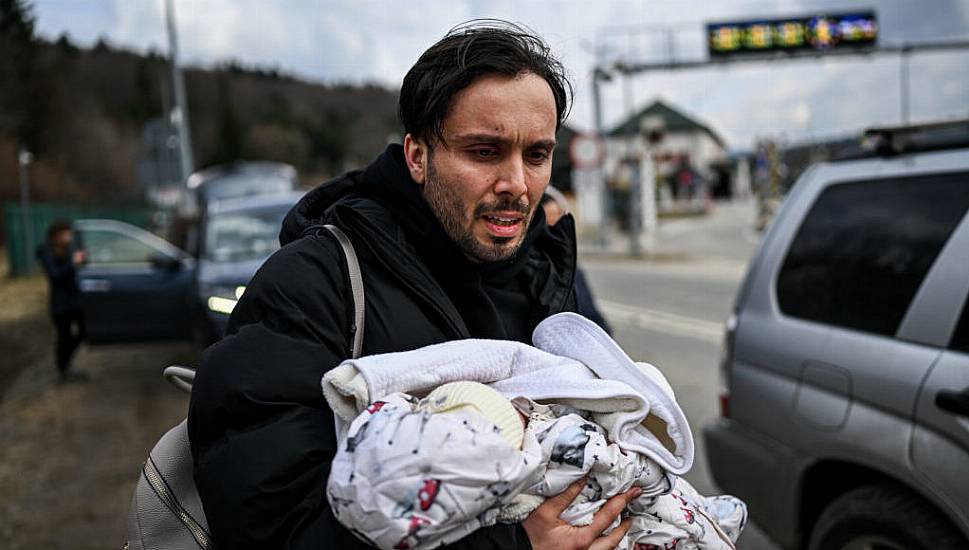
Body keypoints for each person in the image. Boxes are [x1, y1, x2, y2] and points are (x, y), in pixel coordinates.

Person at [188, 20, 640, 550]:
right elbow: (273, 529)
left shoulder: (547, 278)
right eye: (485, 152)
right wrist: (516, 546)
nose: (517, 184)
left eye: (536, 155)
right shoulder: (313, 286)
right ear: (417, 156)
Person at [540, 188, 612, 334]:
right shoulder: (533, 271)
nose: (556, 229)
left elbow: (591, 315)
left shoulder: (572, 270)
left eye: (558, 218)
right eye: (549, 223)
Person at [36, 219, 87, 381]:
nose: (69, 236)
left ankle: (64, 361)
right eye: (66, 234)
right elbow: (55, 275)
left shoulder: (67, 249)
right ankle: (63, 368)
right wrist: (73, 263)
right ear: (56, 236)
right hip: (60, 304)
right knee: (64, 336)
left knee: (84, 330)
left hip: (74, 300)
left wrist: (81, 260)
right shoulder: (46, 252)